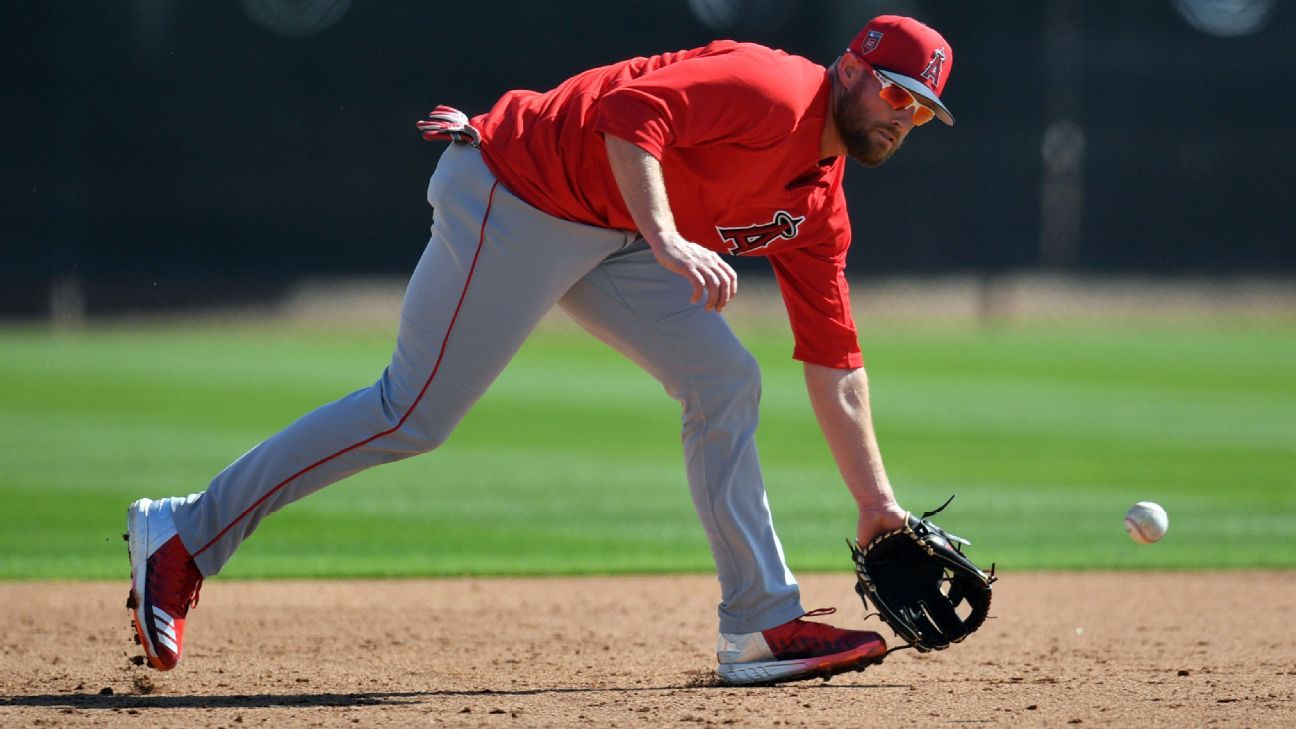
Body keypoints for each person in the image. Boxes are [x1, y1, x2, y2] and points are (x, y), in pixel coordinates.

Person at [125, 15, 957, 686]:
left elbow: (835, 360)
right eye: (894, 90)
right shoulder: (773, 88)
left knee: (726, 379)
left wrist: (877, 503)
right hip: (517, 189)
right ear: (851, 67)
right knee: (409, 414)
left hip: (610, 226)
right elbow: (628, 115)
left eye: (920, 109)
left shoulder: (821, 204)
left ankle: (759, 623)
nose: (901, 115)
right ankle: (183, 534)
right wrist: (666, 236)